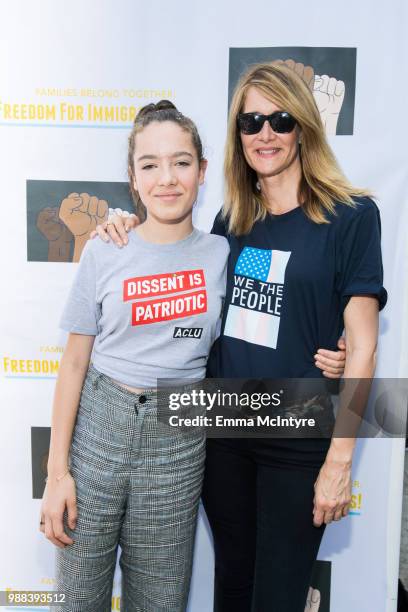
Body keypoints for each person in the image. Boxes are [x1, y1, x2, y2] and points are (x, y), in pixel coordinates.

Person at [96, 62, 386, 612]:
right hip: (224, 431)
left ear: (302, 125)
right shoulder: (234, 222)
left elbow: (365, 346)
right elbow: (171, 253)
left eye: (280, 119)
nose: (266, 134)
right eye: (251, 122)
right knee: (231, 588)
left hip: (299, 436)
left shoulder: (351, 217)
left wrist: (340, 459)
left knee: (277, 598)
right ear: (239, 135)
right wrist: (124, 224)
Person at [39, 100, 230, 612]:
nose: (166, 178)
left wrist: (337, 349)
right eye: (150, 165)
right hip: (99, 428)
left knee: (161, 603)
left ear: (202, 171)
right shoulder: (105, 249)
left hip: (179, 441)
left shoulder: (222, 253)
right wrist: (57, 476)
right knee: (78, 600)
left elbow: (272, 314)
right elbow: (73, 366)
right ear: (132, 178)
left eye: (181, 162)